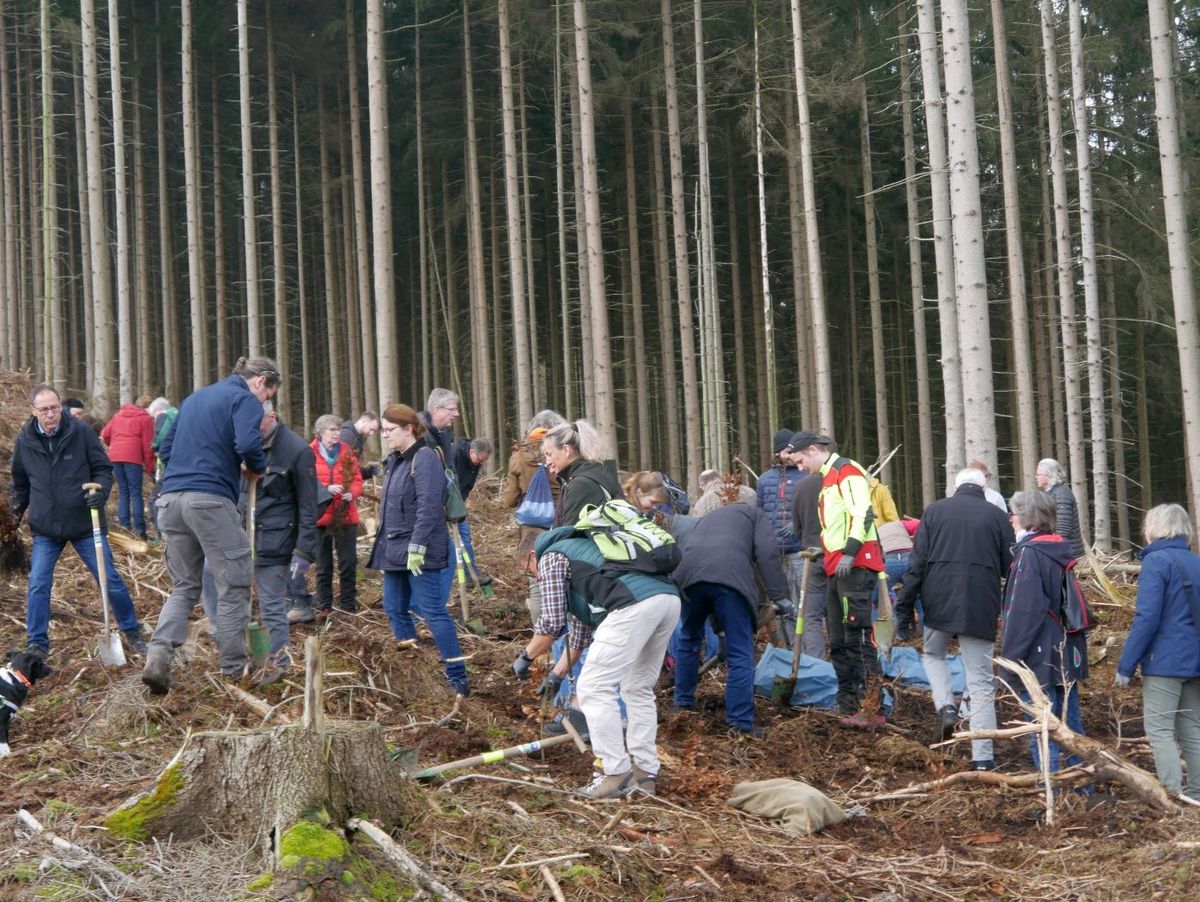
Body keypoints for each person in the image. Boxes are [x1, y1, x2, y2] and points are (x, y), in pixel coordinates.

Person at [141, 357, 280, 694]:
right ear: (261, 382)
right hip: (210, 500)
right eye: (268, 396)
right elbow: (248, 445)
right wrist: (256, 467)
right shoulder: (244, 399)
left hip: (170, 501)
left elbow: (165, 448)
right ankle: (235, 668)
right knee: (233, 583)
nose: (263, 404)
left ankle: (158, 657)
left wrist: (190, 470)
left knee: (185, 585)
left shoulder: (194, 398)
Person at [512, 524, 680, 799]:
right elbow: (578, 636)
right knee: (636, 689)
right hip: (666, 600)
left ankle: (615, 773)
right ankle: (645, 773)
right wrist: (556, 675)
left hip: (633, 604)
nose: (534, 578)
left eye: (528, 571)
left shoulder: (552, 557)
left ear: (533, 555)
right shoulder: (586, 559)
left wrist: (524, 657)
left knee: (593, 688)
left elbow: (551, 623)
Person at [10, 384, 147, 658]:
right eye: (45, 409)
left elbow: (103, 469)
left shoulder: (80, 431)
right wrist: (12, 517)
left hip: (86, 523)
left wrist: (101, 492)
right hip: (47, 527)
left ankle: (132, 631)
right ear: (33, 411)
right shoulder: (25, 441)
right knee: (38, 583)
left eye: (55, 407)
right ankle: (37, 643)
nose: (51, 414)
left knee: (109, 577)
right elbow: (20, 484)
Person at [897, 468, 1014, 769]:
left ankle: (946, 706)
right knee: (981, 681)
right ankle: (983, 758)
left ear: (955, 485)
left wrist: (903, 607)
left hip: (938, 602)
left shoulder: (934, 511)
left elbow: (917, 563)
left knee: (933, 655)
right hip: (980, 605)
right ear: (984, 486)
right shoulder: (997, 516)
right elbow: (1009, 568)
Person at [368, 404, 467, 696]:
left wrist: (417, 546)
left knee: (433, 611)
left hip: (420, 551)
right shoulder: (395, 461)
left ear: (409, 428)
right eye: (382, 430)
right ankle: (416, 672)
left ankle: (457, 676)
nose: (384, 436)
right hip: (394, 550)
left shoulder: (424, 459)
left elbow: (428, 506)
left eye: (390, 430)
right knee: (395, 609)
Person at [672, 497, 790, 736]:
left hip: (688, 577)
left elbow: (709, 573)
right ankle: (739, 722)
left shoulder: (707, 519)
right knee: (741, 652)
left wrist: (720, 630)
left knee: (689, 639)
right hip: (730, 579)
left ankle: (681, 704)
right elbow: (767, 554)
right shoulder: (756, 515)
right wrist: (780, 596)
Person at [219, 403, 318, 685]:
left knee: (272, 604)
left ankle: (277, 663)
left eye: (255, 421)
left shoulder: (296, 450)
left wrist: (303, 551)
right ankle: (241, 659)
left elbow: (309, 505)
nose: (248, 427)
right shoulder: (243, 446)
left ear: (272, 417)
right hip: (242, 536)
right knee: (237, 601)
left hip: (277, 541)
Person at [788, 431, 885, 720]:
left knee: (857, 636)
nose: (801, 468)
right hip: (834, 565)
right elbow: (837, 524)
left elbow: (863, 513)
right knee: (840, 640)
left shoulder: (847, 471)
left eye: (802, 460)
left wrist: (850, 552)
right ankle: (849, 706)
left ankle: (872, 706)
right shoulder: (827, 479)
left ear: (815, 450)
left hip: (855, 567)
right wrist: (827, 551)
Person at [1116, 503, 1200, 800]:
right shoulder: (1195, 561)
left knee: (1160, 730)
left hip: (1165, 663)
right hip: (1194, 661)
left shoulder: (1157, 562)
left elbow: (1147, 618)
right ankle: (1197, 795)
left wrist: (1126, 665)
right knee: (1191, 729)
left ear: (1156, 528)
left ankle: (1171, 796)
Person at [1000, 490, 1088, 772]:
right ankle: (1082, 783)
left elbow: (1022, 614)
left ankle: (1051, 792)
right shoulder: (1058, 548)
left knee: (1042, 726)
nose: (1010, 519)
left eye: (1013, 513)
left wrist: (1009, 663)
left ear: (1027, 518)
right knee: (1071, 723)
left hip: (1039, 658)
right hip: (1067, 649)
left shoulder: (1029, 555)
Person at [288, 415, 364, 622]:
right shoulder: (307, 453)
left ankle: (348, 604)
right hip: (320, 517)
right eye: (332, 430)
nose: (336, 434)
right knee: (323, 565)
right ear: (320, 432)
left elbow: (357, 479)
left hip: (345, 515)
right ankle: (324, 605)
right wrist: (325, 489)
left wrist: (353, 493)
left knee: (348, 563)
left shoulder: (347, 451)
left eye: (338, 430)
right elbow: (303, 482)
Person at [503, 410, 567, 623]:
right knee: (563, 577)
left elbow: (510, 499)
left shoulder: (518, 456)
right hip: (561, 522)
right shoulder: (564, 451)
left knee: (537, 583)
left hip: (532, 528)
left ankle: (543, 635)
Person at [789, 434, 833, 660]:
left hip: (812, 557)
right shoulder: (843, 479)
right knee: (837, 613)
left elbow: (796, 527)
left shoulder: (801, 487)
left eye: (800, 462)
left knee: (811, 616)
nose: (800, 468)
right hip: (838, 556)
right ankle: (844, 664)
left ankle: (818, 665)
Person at [543, 420, 622, 527]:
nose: (547, 462)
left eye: (549, 454)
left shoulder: (581, 485)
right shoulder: (597, 474)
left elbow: (569, 534)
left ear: (566, 450)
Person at [101, 395, 156, 540]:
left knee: (123, 491)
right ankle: (140, 530)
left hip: (115, 457)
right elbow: (147, 446)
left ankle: (125, 526)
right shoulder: (146, 419)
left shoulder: (118, 415)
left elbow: (105, 434)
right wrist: (151, 468)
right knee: (135, 492)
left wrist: (114, 444)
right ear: (147, 408)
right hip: (132, 458)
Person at [450, 436, 494, 586]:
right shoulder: (454, 453)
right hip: (441, 504)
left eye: (483, 461)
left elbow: (467, 487)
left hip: (457, 505)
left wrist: (459, 505)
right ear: (472, 451)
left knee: (465, 536)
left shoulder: (474, 464)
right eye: (480, 459)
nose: (481, 463)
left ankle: (471, 576)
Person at [1036, 458, 1084, 557]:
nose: (1036, 477)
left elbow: (1063, 530)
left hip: (1066, 553)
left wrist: (1051, 552)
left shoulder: (1061, 495)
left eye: (1038, 474)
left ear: (1049, 475)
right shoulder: (1052, 492)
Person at [339, 411, 381, 479]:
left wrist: (367, 473)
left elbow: (351, 468)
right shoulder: (346, 435)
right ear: (364, 422)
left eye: (374, 431)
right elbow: (340, 468)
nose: (371, 434)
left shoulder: (358, 438)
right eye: (371, 429)